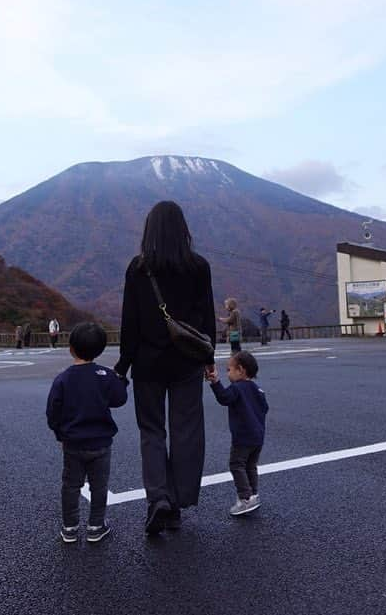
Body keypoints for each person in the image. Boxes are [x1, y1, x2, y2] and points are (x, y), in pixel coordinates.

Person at [115, 201, 216, 535]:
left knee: (152, 431)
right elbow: (208, 318)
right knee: (186, 431)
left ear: (150, 230)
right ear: (182, 229)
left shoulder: (139, 268)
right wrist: (208, 359)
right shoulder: (198, 267)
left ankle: (158, 498)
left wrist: (123, 364)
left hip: (147, 363)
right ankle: (178, 501)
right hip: (186, 360)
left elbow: (129, 321)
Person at [46, 322, 129, 543]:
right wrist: (121, 379)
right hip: (101, 443)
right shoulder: (105, 375)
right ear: (100, 350)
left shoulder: (63, 379)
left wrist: (60, 434)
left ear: (71, 348)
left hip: (73, 444)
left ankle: (70, 527)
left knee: (71, 485)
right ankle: (96, 526)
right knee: (99, 486)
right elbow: (119, 399)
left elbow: (52, 411)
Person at [206, 350, 268, 516]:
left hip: (243, 437)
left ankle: (245, 498)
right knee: (250, 465)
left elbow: (224, 398)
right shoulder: (257, 389)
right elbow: (265, 408)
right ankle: (253, 494)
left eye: (229, 370)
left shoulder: (237, 388)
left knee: (236, 464)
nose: (228, 373)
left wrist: (215, 382)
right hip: (258, 437)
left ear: (241, 370)